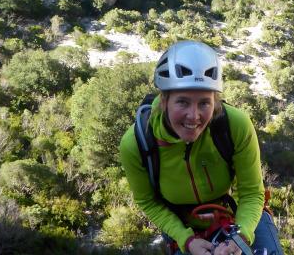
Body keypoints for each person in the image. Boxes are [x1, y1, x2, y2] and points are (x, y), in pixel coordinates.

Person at [119, 40, 283, 255]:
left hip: (237, 214)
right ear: (164, 100)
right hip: (181, 225)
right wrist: (186, 240)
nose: (194, 116)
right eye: (183, 102)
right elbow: (148, 202)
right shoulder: (137, 144)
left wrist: (240, 238)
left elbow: (252, 192)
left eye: (204, 103)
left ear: (215, 101)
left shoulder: (234, 125)